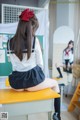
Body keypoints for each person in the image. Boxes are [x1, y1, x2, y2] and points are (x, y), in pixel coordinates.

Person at [7, 9, 61, 120]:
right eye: (34, 27)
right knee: (55, 83)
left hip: (16, 83)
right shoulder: (34, 41)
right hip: (32, 81)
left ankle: (6, 115)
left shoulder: (9, 42)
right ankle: (57, 115)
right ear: (31, 26)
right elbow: (40, 64)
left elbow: (12, 65)